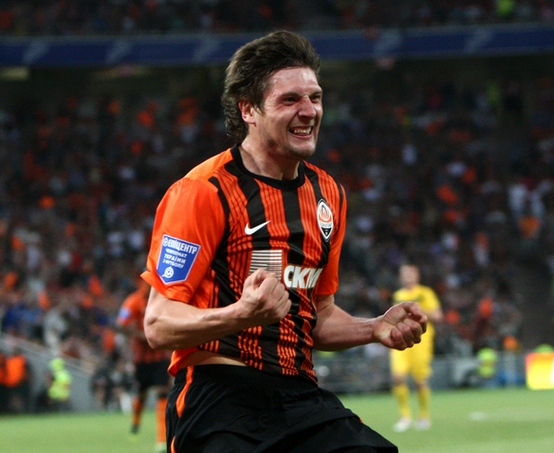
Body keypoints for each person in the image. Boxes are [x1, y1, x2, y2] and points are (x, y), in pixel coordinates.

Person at [141, 30, 428, 453]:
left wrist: (373, 327)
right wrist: (240, 314)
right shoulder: (203, 191)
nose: (308, 111)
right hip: (220, 396)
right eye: (290, 99)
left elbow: (318, 315)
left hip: (298, 394)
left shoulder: (328, 195)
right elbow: (158, 323)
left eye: (315, 97)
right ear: (248, 110)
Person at [117, 278, 171, 453]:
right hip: (141, 359)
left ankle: (161, 439)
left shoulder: (165, 297)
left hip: (160, 355)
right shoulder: (133, 301)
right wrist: (141, 334)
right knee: (142, 394)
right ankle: (135, 423)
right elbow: (121, 324)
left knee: (163, 392)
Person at [389, 264, 443, 432]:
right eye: (405, 274)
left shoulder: (425, 293)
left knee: (420, 380)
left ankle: (423, 416)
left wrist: (417, 309)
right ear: (401, 277)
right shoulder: (398, 295)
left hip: (421, 340)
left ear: (417, 276)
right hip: (400, 338)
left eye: (411, 274)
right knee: (397, 376)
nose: (408, 277)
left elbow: (437, 316)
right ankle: (405, 416)